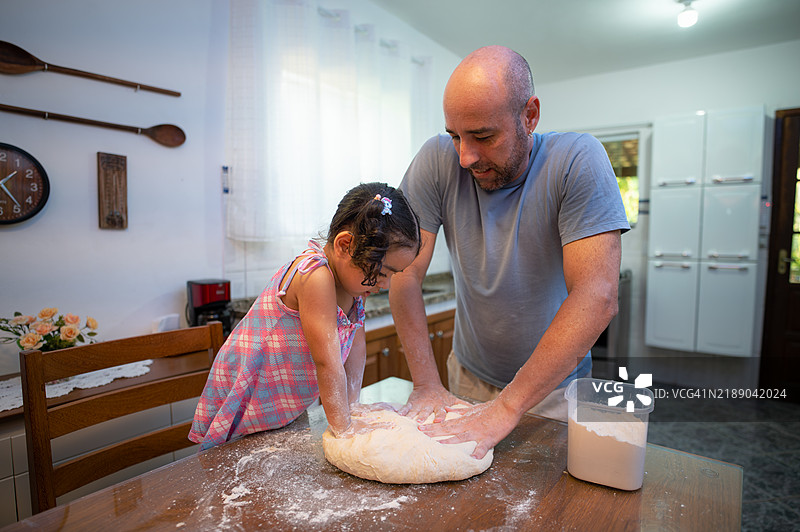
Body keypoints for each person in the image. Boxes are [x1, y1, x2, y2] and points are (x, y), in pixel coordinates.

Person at [389, 45, 630, 460]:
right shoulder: (436, 161)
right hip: (465, 378)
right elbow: (403, 272)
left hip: (551, 390)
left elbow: (597, 296)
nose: (465, 156)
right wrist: (427, 383)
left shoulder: (577, 161)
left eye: (483, 136)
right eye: (455, 136)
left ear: (529, 116)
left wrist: (506, 407)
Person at [190, 183, 421, 450]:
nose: (386, 285)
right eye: (382, 273)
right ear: (345, 245)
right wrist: (345, 433)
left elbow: (356, 348)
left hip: (281, 403)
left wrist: (353, 406)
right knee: (235, 467)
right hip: (249, 396)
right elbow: (328, 363)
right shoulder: (315, 276)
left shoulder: (356, 282)